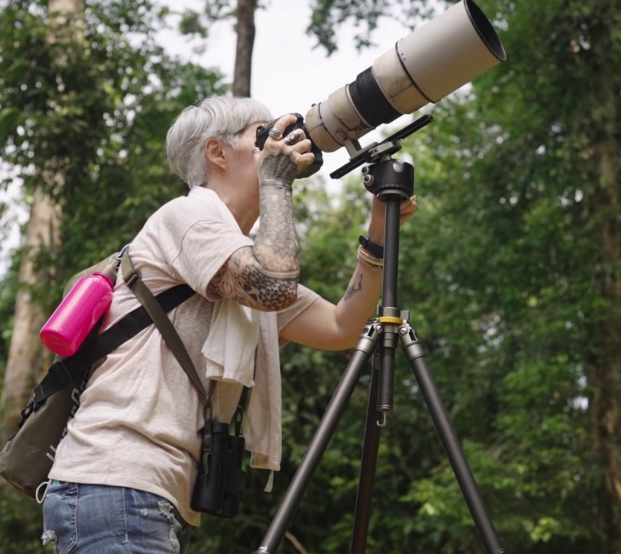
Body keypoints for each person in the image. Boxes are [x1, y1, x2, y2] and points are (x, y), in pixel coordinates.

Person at [41, 95, 416, 553]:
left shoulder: (235, 261)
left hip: (136, 492)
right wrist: (276, 184)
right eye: (261, 136)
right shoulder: (188, 218)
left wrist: (379, 229)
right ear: (216, 153)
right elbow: (273, 285)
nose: (278, 144)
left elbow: (341, 327)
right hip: (116, 481)